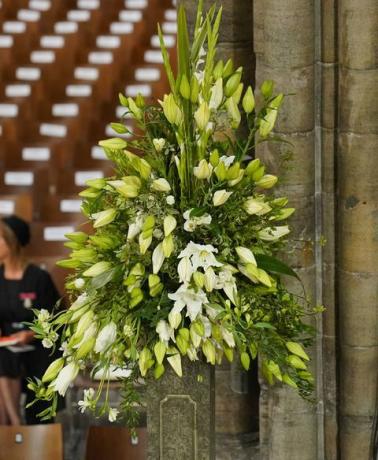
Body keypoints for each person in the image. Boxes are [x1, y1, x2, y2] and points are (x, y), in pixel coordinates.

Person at [0, 215, 61, 425]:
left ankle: (23, 429)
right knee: (3, 357)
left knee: (42, 364)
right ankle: (13, 427)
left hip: (37, 344)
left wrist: (31, 334)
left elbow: (55, 318)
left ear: (12, 242)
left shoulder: (38, 278)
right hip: (7, 344)